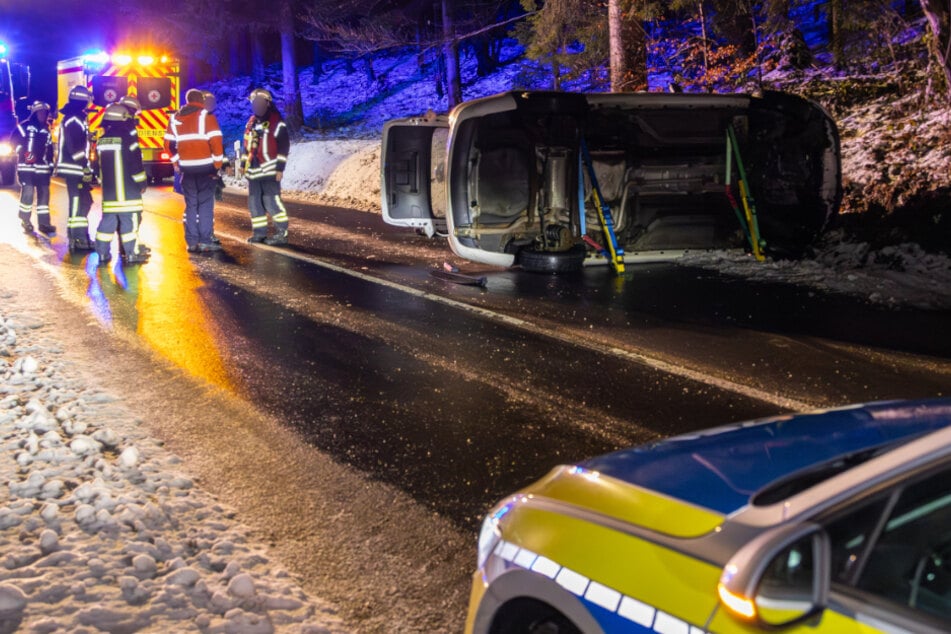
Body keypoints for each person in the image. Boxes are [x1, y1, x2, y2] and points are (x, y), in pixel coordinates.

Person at [164, 88, 224, 253]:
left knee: (191, 205)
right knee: (205, 206)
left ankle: (191, 242)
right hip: (206, 170)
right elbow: (217, 143)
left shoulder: (175, 118)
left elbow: (168, 145)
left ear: (187, 100)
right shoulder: (207, 116)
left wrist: (176, 163)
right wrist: (217, 165)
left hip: (187, 170)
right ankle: (205, 240)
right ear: (201, 100)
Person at [94, 104, 149, 265]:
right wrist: (142, 182)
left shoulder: (102, 141)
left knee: (107, 223)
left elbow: (98, 166)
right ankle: (132, 253)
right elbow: (135, 164)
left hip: (109, 193)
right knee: (129, 223)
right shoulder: (128, 139)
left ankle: (102, 253)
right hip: (128, 191)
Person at [239, 88, 289, 245]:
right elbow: (245, 146)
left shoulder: (277, 123)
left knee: (271, 201)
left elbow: (284, 147)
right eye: (254, 103)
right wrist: (242, 164)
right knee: (254, 204)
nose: (257, 106)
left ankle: (281, 233)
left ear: (268, 103)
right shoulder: (251, 123)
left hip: (270, 171)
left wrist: (280, 168)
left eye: (260, 102)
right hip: (253, 171)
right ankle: (259, 234)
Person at [55, 86, 95, 251]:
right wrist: (84, 166)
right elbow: (74, 146)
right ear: (82, 101)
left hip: (74, 167)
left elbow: (76, 142)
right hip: (75, 168)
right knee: (80, 202)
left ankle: (79, 237)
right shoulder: (74, 119)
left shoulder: (74, 118)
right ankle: (78, 238)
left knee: (83, 201)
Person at [14, 101, 55, 235]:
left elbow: (49, 150)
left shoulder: (46, 130)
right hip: (27, 168)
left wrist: (50, 165)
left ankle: (44, 223)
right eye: (41, 112)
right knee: (28, 193)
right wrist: (25, 154)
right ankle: (25, 220)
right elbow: (14, 141)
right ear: (35, 113)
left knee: (44, 196)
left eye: (45, 113)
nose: (43, 115)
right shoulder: (24, 126)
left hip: (42, 170)